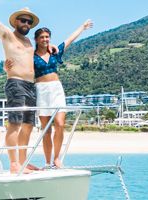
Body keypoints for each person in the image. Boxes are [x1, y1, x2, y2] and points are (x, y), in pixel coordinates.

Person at [0, 0, 42, 174]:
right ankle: (14, 164)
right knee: (15, 124)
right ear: (16, 21)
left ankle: (23, 161)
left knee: (28, 126)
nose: (26, 23)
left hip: (30, 86)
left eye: (29, 21)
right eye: (23, 20)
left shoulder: (29, 42)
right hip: (16, 84)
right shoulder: (7, 35)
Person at [32, 20, 93, 169]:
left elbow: (69, 40)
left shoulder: (55, 51)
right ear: (36, 39)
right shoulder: (31, 56)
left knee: (60, 124)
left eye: (47, 37)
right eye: (42, 37)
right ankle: (47, 162)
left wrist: (82, 27)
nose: (45, 40)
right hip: (41, 90)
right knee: (46, 129)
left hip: (56, 89)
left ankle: (57, 159)